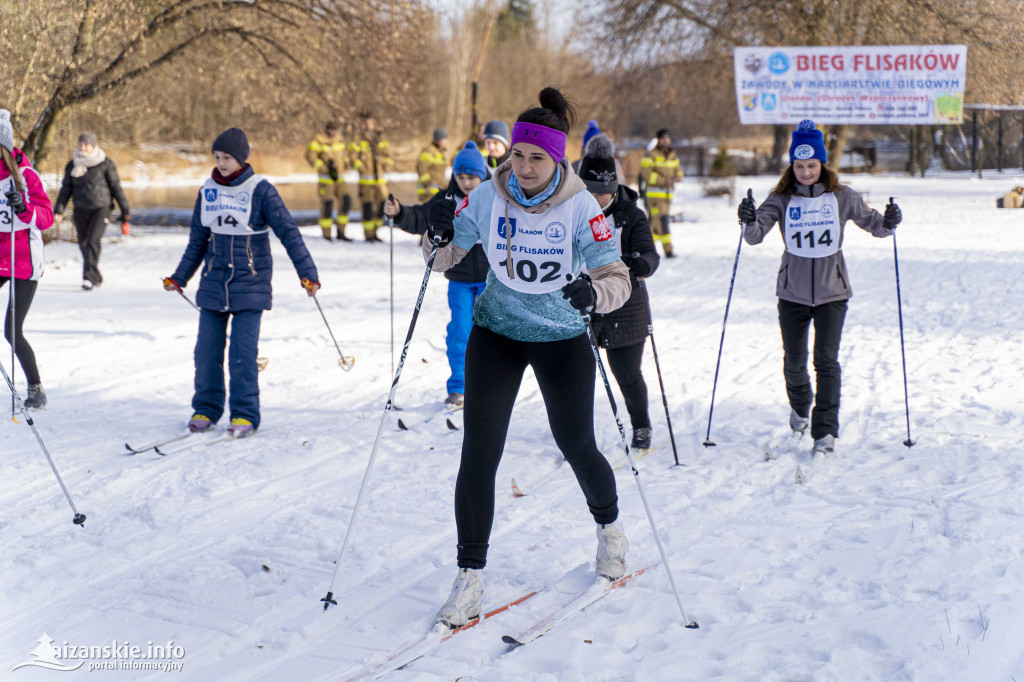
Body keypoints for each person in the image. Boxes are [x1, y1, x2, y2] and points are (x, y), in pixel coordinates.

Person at [423, 87, 632, 628]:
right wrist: (434, 239)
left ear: (557, 158)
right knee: (479, 451)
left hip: (561, 337)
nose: (525, 166)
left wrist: (594, 294)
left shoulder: (583, 206)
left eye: (537, 157)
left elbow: (617, 279)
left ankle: (609, 530)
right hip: (497, 332)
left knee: (576, 443)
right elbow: (449, 253)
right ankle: (469, 577)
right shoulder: (488, 197)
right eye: (518, 154)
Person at [738, 119, 902, 457]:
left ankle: (824, 431)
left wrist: (890, 220)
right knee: (794, 363)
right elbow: (754, 237)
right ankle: (800, 406)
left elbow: (876, 226)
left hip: (833, 293)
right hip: (792, 293)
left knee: (826, 362)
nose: (806, 172)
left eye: (812, 165)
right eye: (799, 166)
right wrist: (748, 218)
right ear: (791, 166)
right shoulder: (781, 199)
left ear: (822, 164)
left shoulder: (842, 197)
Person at [163, 128, 320, 438]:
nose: (220, 163)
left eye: (227, 158)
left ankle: (245, 413)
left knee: (242, 353)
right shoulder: (207, 190)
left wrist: (308, 274)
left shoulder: (261, 190)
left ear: (241, 159)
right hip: (213, 284)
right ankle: (206, 408)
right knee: (205, 352)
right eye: (217, 157)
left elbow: (289, 234)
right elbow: (197, 242)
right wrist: (179, 278)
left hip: (251, 284)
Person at [384, 141, 490, 411]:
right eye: (461, 176)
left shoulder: (494, 197)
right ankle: (459, 387)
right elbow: (422, 217)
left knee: (491, 336)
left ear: (483, 175)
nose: (466, 182)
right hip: (460, 280)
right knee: (460, 332)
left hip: (492, 280)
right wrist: (400, 213)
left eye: (472, 177)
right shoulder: (446, 199)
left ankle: (491, 387)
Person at [579, 134, 660, 449]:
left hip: (624, 303)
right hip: (581, 301)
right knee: (577, 376)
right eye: (589, 191)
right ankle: (576, 433)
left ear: (613, 189)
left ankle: (641, 425)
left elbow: (649, 254)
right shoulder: (572, 211)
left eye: (602, 193)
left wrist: (642, 265)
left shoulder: (631, 215)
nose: (595, 199)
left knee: (626, 374)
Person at [0, 109, 54, 409]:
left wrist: (24, 208)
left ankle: (36, 388)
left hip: (24, 261)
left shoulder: (25, 174)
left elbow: (46, 218)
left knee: (11, 330)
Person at [53, 132, 131, 289]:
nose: (83, 147)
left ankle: (88, 277)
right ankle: (95, 274)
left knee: (92, 241)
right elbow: (66, 189)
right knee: (83, 243)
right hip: (80, 209)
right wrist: (59, 209)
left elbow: (115, 187)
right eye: (81, 144)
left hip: (101, 208)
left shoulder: (105, 163)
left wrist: (125, 210)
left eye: (87, 144)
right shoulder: (72, 165)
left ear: (93, 146)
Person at [306, 121, 353, 242]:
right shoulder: (319, 140)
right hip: (326, 181)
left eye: (337, 129)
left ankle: (341, 231)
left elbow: (345, 156)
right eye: (334, 129)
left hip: (340, 179)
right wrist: (324, 168)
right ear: (328, 130)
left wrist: (347, 164)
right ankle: (326, 234)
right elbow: (310, 157)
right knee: (327, 206)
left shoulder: (340, 140)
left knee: (346, 202)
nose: (336, 132)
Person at [639, 129, 683, 258]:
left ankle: (645, 249)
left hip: (667, 196)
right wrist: (664, 180)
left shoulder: (672, 155)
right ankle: (666, 250)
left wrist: (677, 177)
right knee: (661, 221)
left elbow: (679, 171)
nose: (666, 140)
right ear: (658, 140)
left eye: (668, 138)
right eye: (663, 138)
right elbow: (646, 173)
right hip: (654, 196)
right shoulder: (650, 155)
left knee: (655, 224)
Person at [352, 113, 393, 242]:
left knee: (382, 206)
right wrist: (361, 168)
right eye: (366, 122)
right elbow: (353, 157)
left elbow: (389, 157)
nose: (368, 124)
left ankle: (375, 231)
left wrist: (383, 163)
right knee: (367, 208)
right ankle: (368, 234)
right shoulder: (358, 138)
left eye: (370, 121)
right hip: (366, 180)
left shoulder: (380, 138)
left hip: (380, 180)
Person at [416, 128, 448, 202]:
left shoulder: (439, 152)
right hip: (429, 194)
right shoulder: (429, 151)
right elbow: (422, 168)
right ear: (439, 140)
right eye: (444, 139)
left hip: (437, 193)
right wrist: (428, 184)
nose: (446, 141)